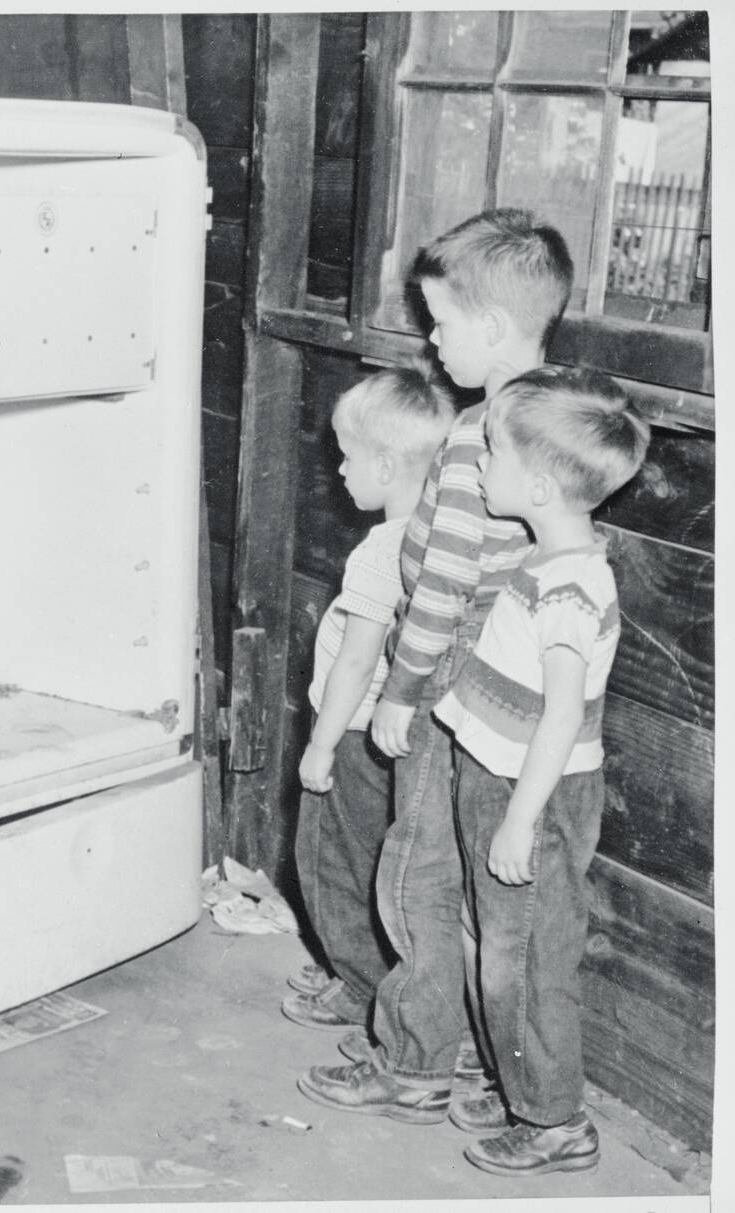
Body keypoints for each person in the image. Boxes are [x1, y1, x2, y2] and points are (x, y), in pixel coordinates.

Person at [297, 208, 574, 1124]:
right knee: (463, 881)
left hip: (447, 672)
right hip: (516, 678)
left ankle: (415, 1060)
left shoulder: (473, 441)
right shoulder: (548, 420)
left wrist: (403, 693)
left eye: (440, 322)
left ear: (491, 329)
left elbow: (443, 585)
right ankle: (462, 1056)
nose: (429, 338)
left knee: (414, 871)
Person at [438, 366, 648, 1174]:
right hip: (498, 773)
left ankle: (555, 1118)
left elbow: (561, 715)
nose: (481, 466)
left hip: (532, 790)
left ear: (536, 483)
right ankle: (517, 1077)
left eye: (490, 452)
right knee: (497, 939)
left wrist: (520, 819)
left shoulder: (569, 586)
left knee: (523, 954)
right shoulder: (545, 555)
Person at [284, 367, 454, 1035]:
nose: (339, 471)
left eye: (347, 457)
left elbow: (356, 661)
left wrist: (320, 746)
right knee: (381, 862)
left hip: (352, 734)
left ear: (385, 464)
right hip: (401, 737)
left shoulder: (380, 553)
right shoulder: (437, 539)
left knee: (330, 860)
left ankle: (356, 984)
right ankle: (369, 971)